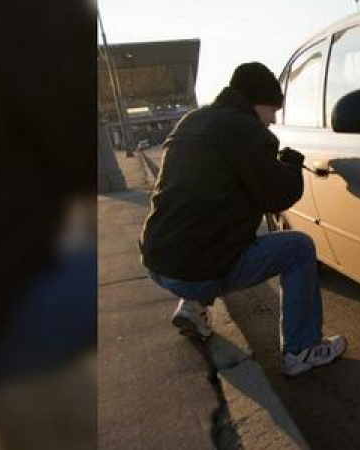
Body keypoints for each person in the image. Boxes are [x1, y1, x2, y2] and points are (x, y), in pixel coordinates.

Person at [139, 62, 346, 377]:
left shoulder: (193, 120)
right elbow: (277, 196)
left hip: (157, 260)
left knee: (201, 227)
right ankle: (301, 350)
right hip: (197, 270)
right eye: (273, 109)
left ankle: (192, 307)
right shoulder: (246, 129)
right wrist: (290, 164)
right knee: (298, 248)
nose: (274, 119)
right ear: (257, 101)